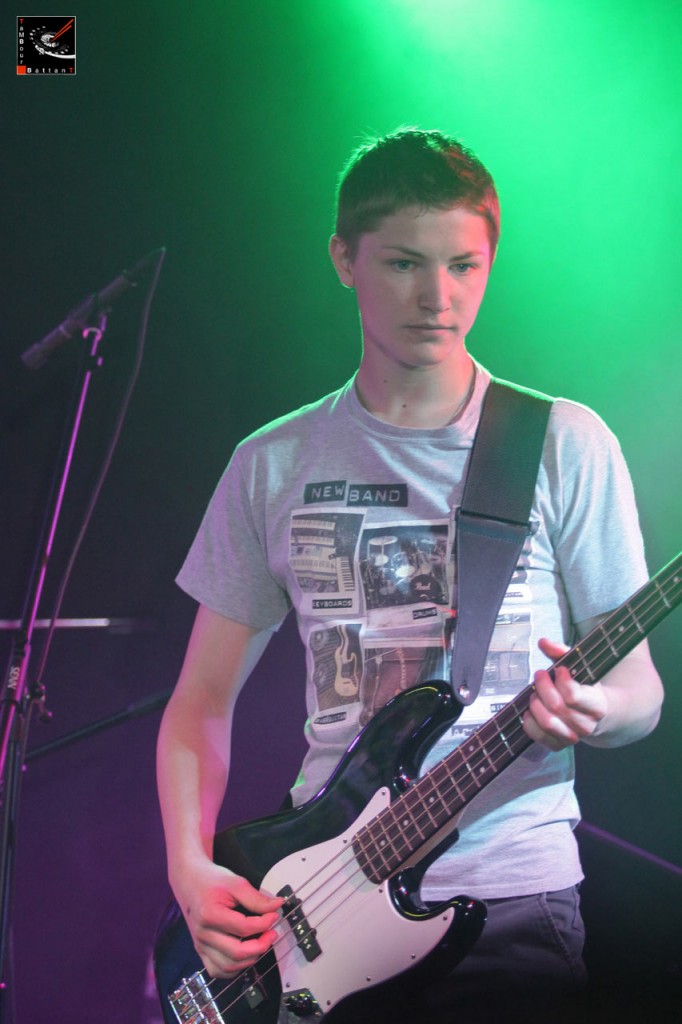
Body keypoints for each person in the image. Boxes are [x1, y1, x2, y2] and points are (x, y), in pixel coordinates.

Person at [156, 128, 663, 1023]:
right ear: (343, 260)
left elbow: (640, 692)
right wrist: (191, 869)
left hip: (510, 903)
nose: (439, 297)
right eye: (403, 264)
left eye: (465, 266)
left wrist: (597, 710)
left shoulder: (561, 443)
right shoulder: (271, 463)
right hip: (310, 904)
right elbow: (200, 702)